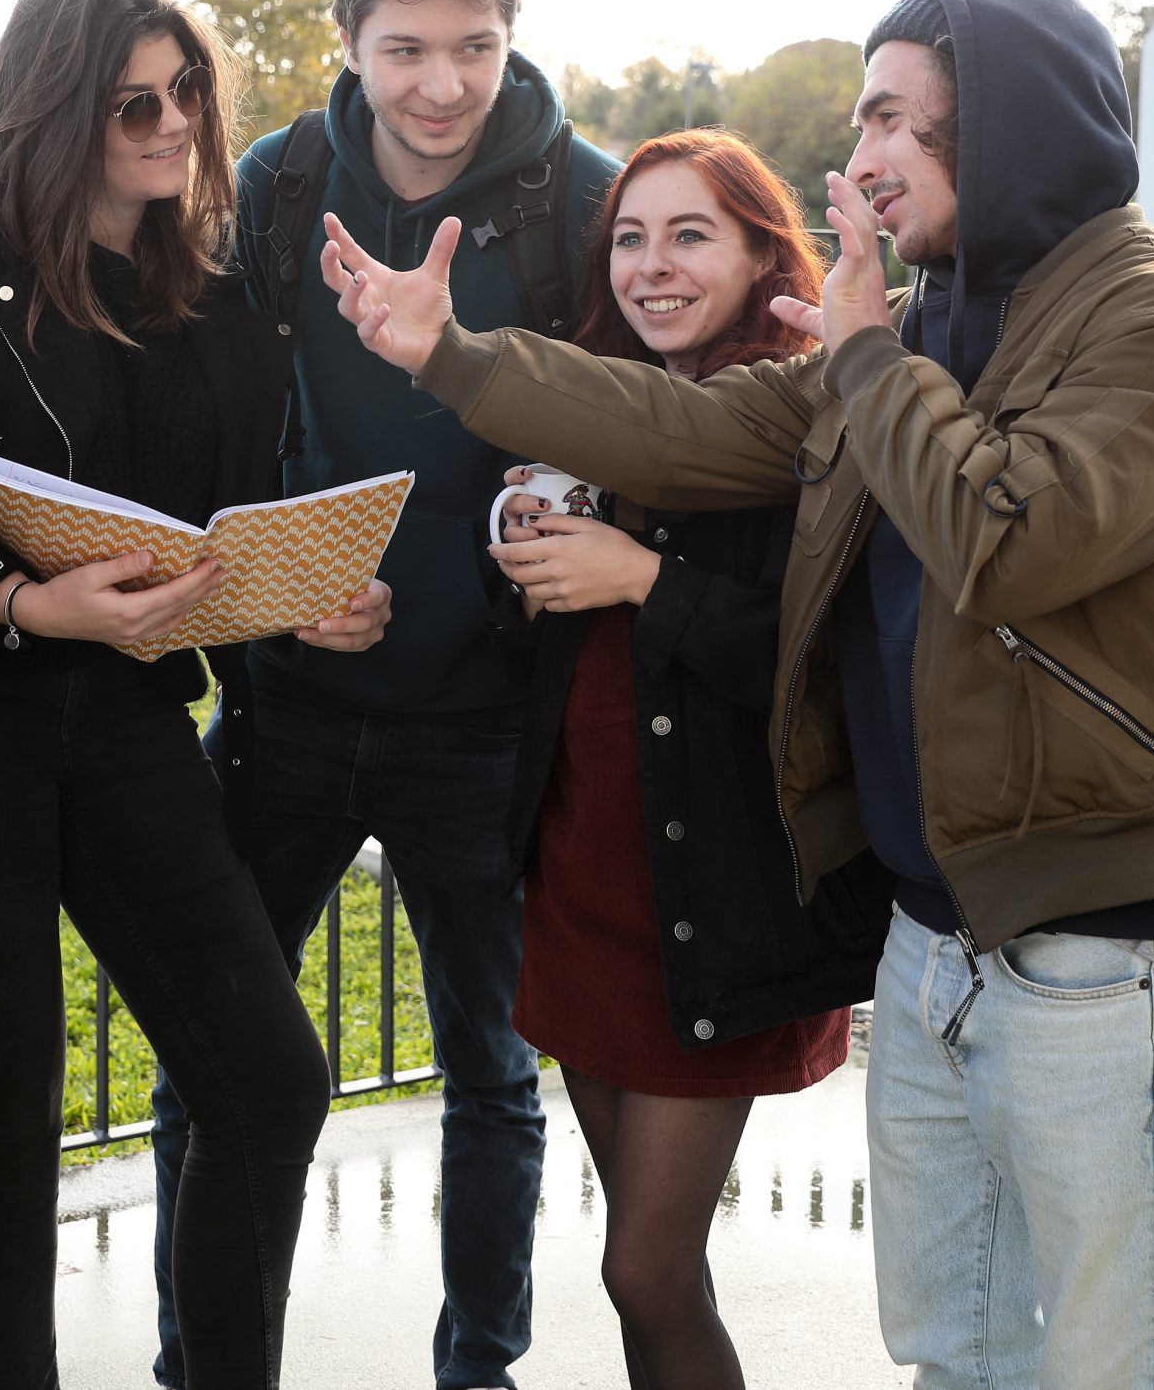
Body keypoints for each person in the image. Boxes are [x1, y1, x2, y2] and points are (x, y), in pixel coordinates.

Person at [317, 0, 1154, 1389]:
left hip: (1106, 940)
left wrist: (869, 349)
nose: (865, 153)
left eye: (894, 117)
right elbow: (678, 420)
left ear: (1004, 124)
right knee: (954, 1347)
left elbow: (999, 537)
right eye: (861, 116)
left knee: (1113, 1355)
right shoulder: (923, 318)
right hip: (939, 931)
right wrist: (448, 354)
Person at [0, 0, 391, 1390]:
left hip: (132, 714)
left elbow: (222, 511)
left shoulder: (205, 281)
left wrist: (295, 596)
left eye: (188, 90)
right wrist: (17, 596)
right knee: (4, 1119)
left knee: (270, 1079)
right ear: (58, 107)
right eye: (133, 99)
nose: (170, 121)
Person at [149, 0, 621, 1390]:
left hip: (486, 717)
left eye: (474, 46)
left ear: (511, 34)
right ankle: (197, 1362)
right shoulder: (274, 188)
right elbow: (201, 430)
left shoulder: (588, 201)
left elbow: (650, 421)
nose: (441, 85)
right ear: (349, 40)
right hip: (286, 699)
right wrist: (273, 594)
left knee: (493, 1072)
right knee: (209, 1057)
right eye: (405, 47)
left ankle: (478, 1368)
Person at [489, 129, 890, 1389]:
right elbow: (556, 647)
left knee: (642, 1271)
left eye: (688, 235)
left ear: (765, 249)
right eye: (628, 237)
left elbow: (827, 673)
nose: (650, 266)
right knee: (650, 1264)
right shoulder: (601, 398)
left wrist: (645, 580)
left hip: (713, 904)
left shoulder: (810, 409)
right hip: (582, 884)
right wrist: (522, 537)